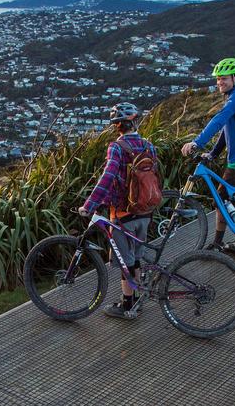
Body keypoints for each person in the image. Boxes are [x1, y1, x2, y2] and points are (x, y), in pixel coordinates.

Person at [80, 102, 159, 319]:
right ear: (134, 121)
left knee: (125, 261)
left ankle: (127, 306)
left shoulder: (116, 147)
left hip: (123, 214)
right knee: (134, 258)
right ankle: (135, 300)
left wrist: (90, 205)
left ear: (117, 126)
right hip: (145, 211)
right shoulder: (148, 145)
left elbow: (108, 177)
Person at [181, 58, 235, 256]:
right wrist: (214, 153)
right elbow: (227, 130)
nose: (219, 82)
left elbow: (219, 120)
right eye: (217, 79)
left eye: (223, 78)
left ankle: (221, 243)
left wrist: (197, 143)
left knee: (221, 199)